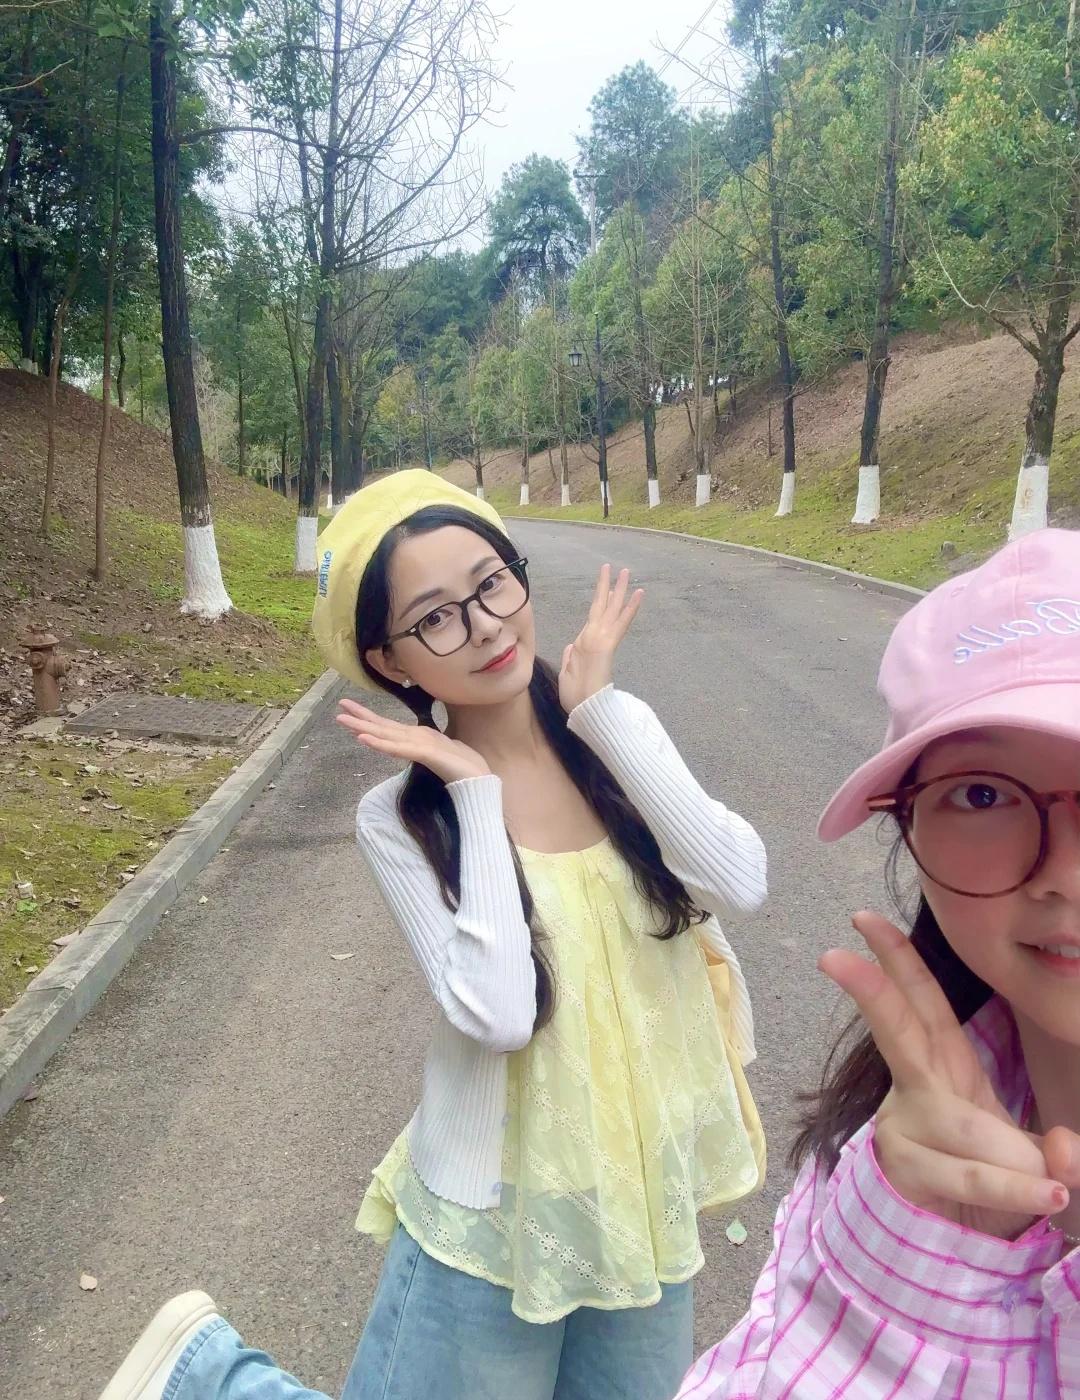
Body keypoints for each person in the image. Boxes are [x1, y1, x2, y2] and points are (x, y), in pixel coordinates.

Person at [99, 470, 767, 1400]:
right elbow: (499, 1016)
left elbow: (739, 880)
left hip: (640, 1187)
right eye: (437, 617)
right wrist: (477, 796)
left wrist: (603, 715)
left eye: (492, 584)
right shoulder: (401, 818)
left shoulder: (618, 732)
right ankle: (213, 1380)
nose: (486, 626)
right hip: (498, 1202)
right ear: (393, 662)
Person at [676, 526, 1080, 1398]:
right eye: (983, 794)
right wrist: (912, 1272)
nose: (1066, 873)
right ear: (908, 829)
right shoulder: (891, 1153)